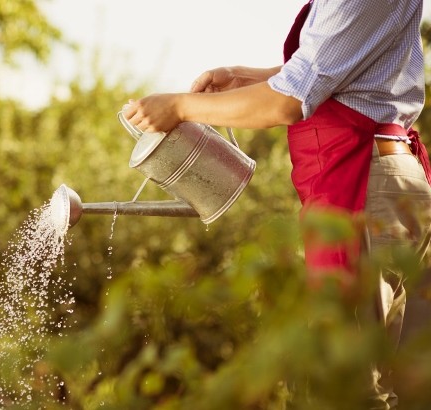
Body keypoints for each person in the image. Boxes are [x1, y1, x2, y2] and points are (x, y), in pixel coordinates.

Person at [123, 0, 431, 408]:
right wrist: (244, 77)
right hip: (377, 179)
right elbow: (336, 65)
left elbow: (287, 101)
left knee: (342, 387)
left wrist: (179, 107)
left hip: (362, 181)